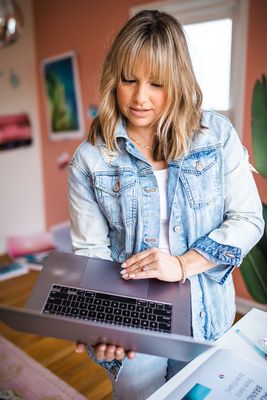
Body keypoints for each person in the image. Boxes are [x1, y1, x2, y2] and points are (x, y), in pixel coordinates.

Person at [68, 9, 264, 400]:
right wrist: (107, 325)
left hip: (206, 316)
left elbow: (248, 219)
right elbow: (91, 254)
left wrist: (181, 265)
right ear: (114, 79)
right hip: (135, 324)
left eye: (156, 83)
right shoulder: (89, 159)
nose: (140, 97)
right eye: (129, 80)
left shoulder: (216, 137)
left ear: (177, 82)